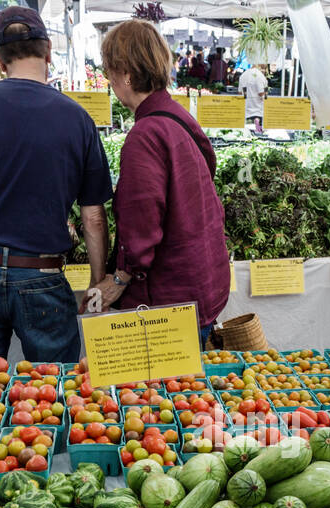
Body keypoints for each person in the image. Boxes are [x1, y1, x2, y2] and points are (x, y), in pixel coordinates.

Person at [0, 5, 112, 368]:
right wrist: (97, 282)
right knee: (53, 390)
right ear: (48, 51)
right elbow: (93, 217)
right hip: (40, 274)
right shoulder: (78, 119)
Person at [89, 19, 230, 345]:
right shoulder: (178, 116)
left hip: (168, 301)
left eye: (110, 70)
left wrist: (121, 278)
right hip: (201, 286)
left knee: (158, 393)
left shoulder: (146, 134)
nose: (110, 79)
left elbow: (142, 222)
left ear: (125, 72)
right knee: (189, 394)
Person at [240, 60, 267, 134]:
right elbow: (262, 93)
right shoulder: (260, 76)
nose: (264, 71)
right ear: (260, 66)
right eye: (264, 68)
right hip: (258, 113)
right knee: (258, 136)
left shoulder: (243, 75)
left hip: (246, 112)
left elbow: (240, 93)